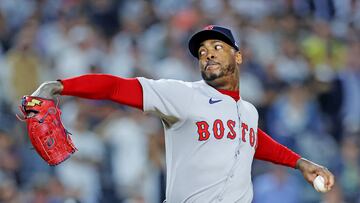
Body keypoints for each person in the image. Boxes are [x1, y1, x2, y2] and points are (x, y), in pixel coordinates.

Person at [29, 25, 335, 202]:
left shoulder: (249, 111)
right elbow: (115, 88)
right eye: (202, 52)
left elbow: (254, 139)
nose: (208, 53)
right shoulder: (184, 95)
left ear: (238, 56)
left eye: (217, 46)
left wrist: (299, 162)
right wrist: (59, 86)